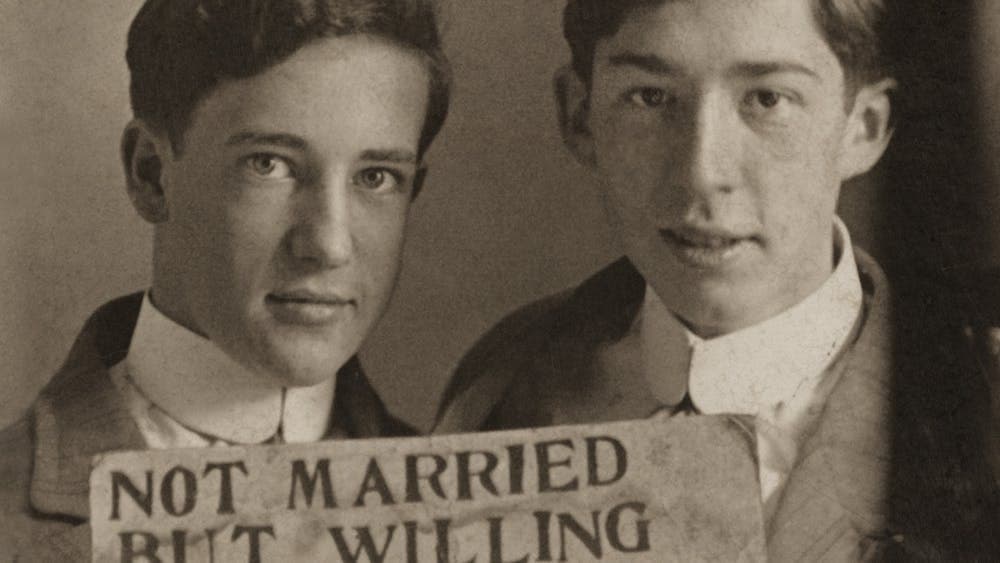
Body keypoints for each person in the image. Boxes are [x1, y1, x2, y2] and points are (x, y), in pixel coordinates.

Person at [435, 0, 998, 558]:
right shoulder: (501, 384)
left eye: (767, 99)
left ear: (863, 128)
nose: (702, 173)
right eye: (650, 97)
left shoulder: (977, 412)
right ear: (580, 116)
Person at [0, 0, 449, 558]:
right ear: (151, 174)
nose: (329, 246)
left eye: (377, 177)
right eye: (268, 164)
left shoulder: (468, 509)